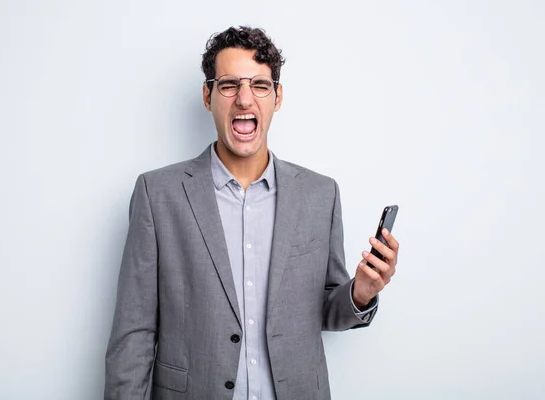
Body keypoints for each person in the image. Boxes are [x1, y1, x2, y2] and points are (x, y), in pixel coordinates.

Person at [104, 26, 399, 400]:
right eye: (229, 85)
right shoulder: (157, 194)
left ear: (277, 97)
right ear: (208, 96)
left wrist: (360, 292)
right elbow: (134, 333)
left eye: (259, 85)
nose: (244, 99)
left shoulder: (320, 194)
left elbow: (324, 310)